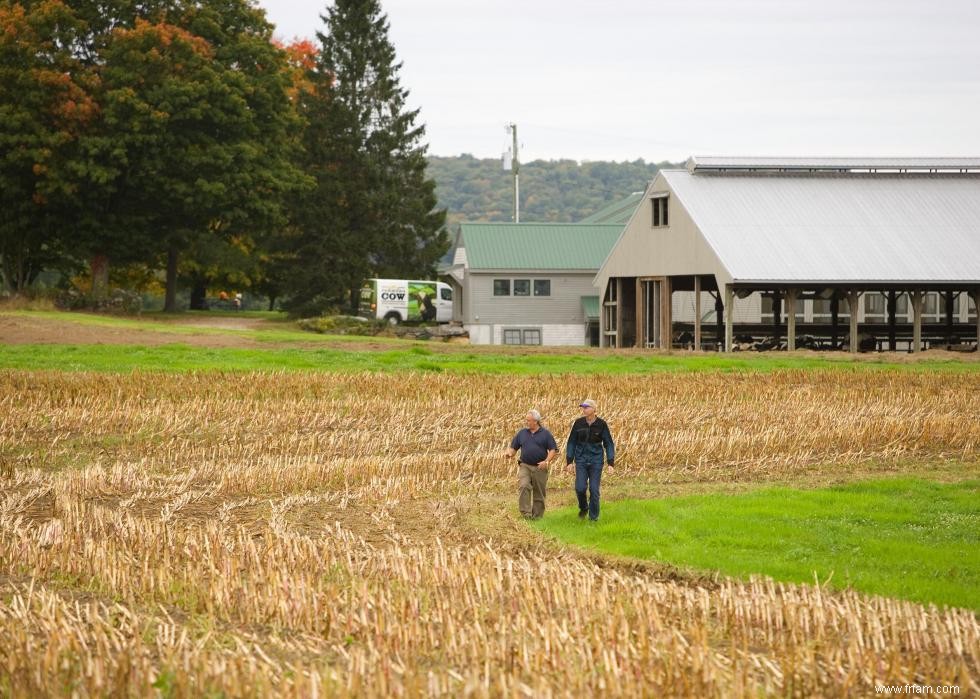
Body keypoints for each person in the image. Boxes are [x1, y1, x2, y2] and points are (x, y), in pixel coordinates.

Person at [565, 399, 615, 521]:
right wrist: (569, 461)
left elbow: (608, 443)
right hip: (581, 460)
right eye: (583, 407)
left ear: (593, 409)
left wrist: (610, 463)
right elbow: (571, 442)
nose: (584, 409)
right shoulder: (578, 423)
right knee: (580, 488)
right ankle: (583, 508)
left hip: (596, 460)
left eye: (586, 407)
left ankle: (593, 518)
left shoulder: (602, 424)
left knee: (594, 489)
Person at [503, 409, 557, 519]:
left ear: (536, 421)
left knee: (539, 492)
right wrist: (509, 454)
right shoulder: (522, 433)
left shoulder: (545, 434)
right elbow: (514, 448)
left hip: (540, 467)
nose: (526, 422)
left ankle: (537, 516)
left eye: (528, 420)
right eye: (526, 420)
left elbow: (553, 450)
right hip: (525, 465)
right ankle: (526, 514)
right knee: (524, 486)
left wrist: (546, 461)